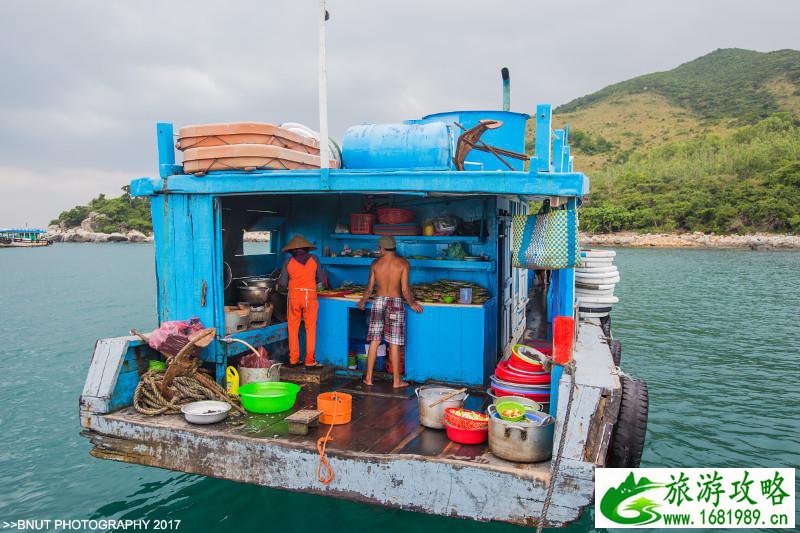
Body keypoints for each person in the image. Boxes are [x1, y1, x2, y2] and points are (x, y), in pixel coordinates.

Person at [358, 236, 423, 388]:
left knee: (374, 340)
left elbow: (369, 289)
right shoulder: (403, 264)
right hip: (395, 303)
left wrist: (362, 301)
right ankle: (396, 381)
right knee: (394, 342)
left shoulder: (376, 264)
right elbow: (405, 289)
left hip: (379, 302)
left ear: (382, 248)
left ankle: (368, 378)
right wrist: (412, 303)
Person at [278, 235, 329, 367]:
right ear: (307, 248)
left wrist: (286, 288)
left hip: (294, 297)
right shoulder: (314, 259)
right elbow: (321, 281)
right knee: (310, 328)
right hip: (310, 297)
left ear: (292, 250)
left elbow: (282, 283)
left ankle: (294, 360)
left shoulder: (288, 262)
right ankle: (309, 361)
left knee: (293, 328)